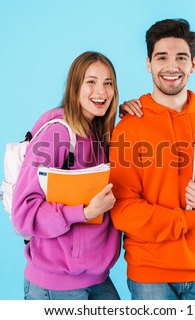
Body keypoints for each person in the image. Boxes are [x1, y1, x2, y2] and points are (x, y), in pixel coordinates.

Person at [109, 19, 195, 300]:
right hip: (150, 275)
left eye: (181, 57)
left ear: (193, 64)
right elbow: (124, 210)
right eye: (162, 57)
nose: (172, 67)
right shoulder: (129, 126)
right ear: (148, 64)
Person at [12, 51, 121, 300]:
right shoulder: (57, 135)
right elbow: (23, 214)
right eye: (91, 82)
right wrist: (84, 212)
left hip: (99, 279)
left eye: (108, 83)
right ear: (75, 86)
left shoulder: (102, 135)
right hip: (55, 285)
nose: (101, 92)